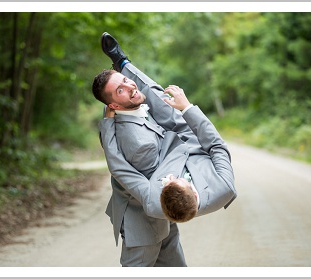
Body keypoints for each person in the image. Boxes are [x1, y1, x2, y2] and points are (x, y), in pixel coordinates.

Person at [92, 32, 237, 266]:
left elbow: (119, 167)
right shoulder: (223, 188)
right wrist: (188, 108)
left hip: (143, 225)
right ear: (192, 190)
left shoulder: (153, 198)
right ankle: (123, 64)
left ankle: (123, 66)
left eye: (166, 181)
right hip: (188, 150)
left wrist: (108, 124)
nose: (169, 178)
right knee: (170, 109)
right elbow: (217, 145)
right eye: (174, 180)